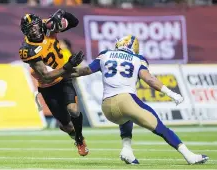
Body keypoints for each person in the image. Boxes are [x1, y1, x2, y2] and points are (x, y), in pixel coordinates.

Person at [69, 35, 209, 164]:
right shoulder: (137, 59)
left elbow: (84, 71)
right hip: (126, 101)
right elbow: (149, 79)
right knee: (161, 127)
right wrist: (171, 93)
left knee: (125, 118)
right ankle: (189, 156)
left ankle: (127, 150)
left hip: (107, 107)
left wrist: (62, 72)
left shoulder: (105, 54)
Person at [18, 9, 88, 156]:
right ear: (25, 32)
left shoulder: (47, 25)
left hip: (63, 77)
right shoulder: (27, 50)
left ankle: (80, 139)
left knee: (74, 110)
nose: (35, 30)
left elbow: (74, 22)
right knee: (66, 125)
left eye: (36, 26)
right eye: (31, 29)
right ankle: (74, 135)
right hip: (48, 85)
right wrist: (69, 65)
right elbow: (46, 76)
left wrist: (63, 13)